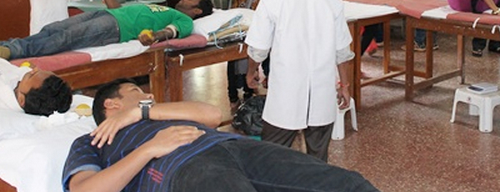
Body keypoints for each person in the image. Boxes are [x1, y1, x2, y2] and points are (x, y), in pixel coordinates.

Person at [62, 78, 378, 192]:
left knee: (345, 183)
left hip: (233, 146)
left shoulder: (156, 111)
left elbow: (212, 116)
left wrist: (143, 112)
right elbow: (85, 190)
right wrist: (149, 149)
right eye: (136, 91)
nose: (148, 95)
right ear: (111, 104)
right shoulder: (91, 141)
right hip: (182, 165)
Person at [245, 0, 354, 162]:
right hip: (322, 94)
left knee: (272, 158)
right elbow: (342, 52)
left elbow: (258, 48)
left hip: (285, 94)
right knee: (318, 160)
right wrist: (344, 85)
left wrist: (251, 71)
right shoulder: (331, 0)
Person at [0, 0, 214, 61]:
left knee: (66, 38)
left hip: (116, 28)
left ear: (197, 11)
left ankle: (11, 52)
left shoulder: (185, 21)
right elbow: (117, 5)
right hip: (110, 14)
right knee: (54, 28)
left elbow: (170, 32)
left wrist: (154, 36)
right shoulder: (164, 8)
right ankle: (4, 46)